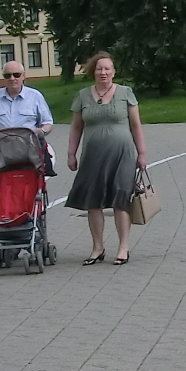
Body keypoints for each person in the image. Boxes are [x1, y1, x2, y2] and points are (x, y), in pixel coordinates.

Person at [67, 50, 145, 265]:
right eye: (99, 69)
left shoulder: (125, 93)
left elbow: (136, 126)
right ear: (93, 72)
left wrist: (142, 153)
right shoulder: (83, 95)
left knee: (121, 199)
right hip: (92, 156)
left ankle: (123, 247)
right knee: (94, 201)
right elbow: (76, 128)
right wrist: (71, 153)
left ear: (113, 71)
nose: (103, 72)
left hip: (122, 155)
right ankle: (97, 248)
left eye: (107, 69)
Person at [0, 62, 54, 139]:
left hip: (29, 144)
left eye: (16, 75)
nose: (12, 78)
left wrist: (42, 131)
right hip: (2, 144)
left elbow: (48, 123)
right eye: (7, 75)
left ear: (23, 76)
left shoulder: (35, 96)